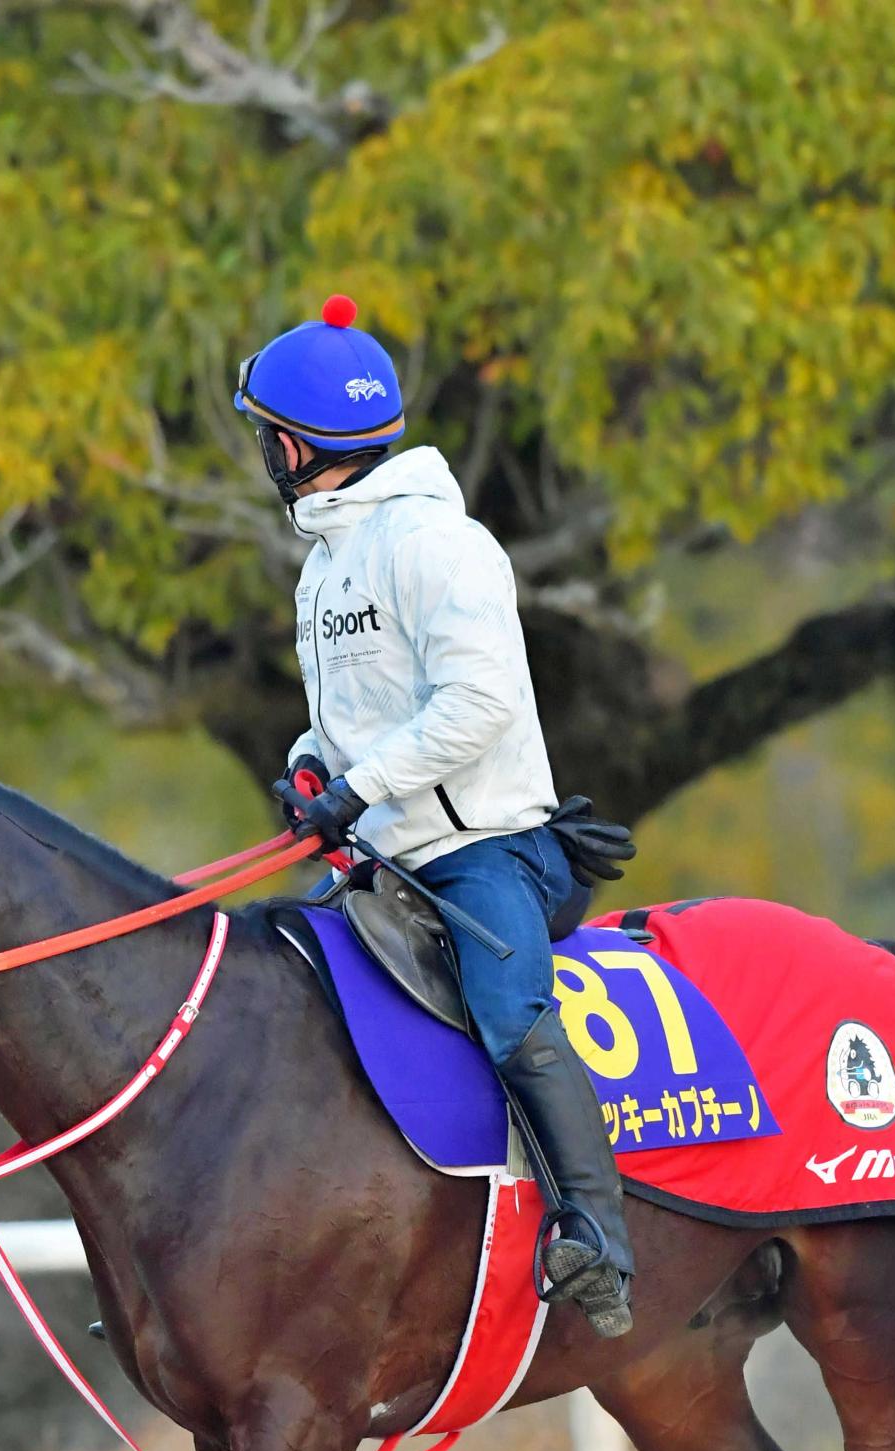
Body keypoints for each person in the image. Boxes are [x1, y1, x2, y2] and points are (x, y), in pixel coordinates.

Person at [236, 294, 635, 1338]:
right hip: (382, 856)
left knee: (506, 1013)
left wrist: (365, 787)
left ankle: (597, 1231)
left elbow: (477, 704)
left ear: (294, 444)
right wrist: (311, 771)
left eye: (263, 436)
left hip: (484, 851)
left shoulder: (441, 545)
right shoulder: (322, 566)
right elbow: (342, 723)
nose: (261, 453)